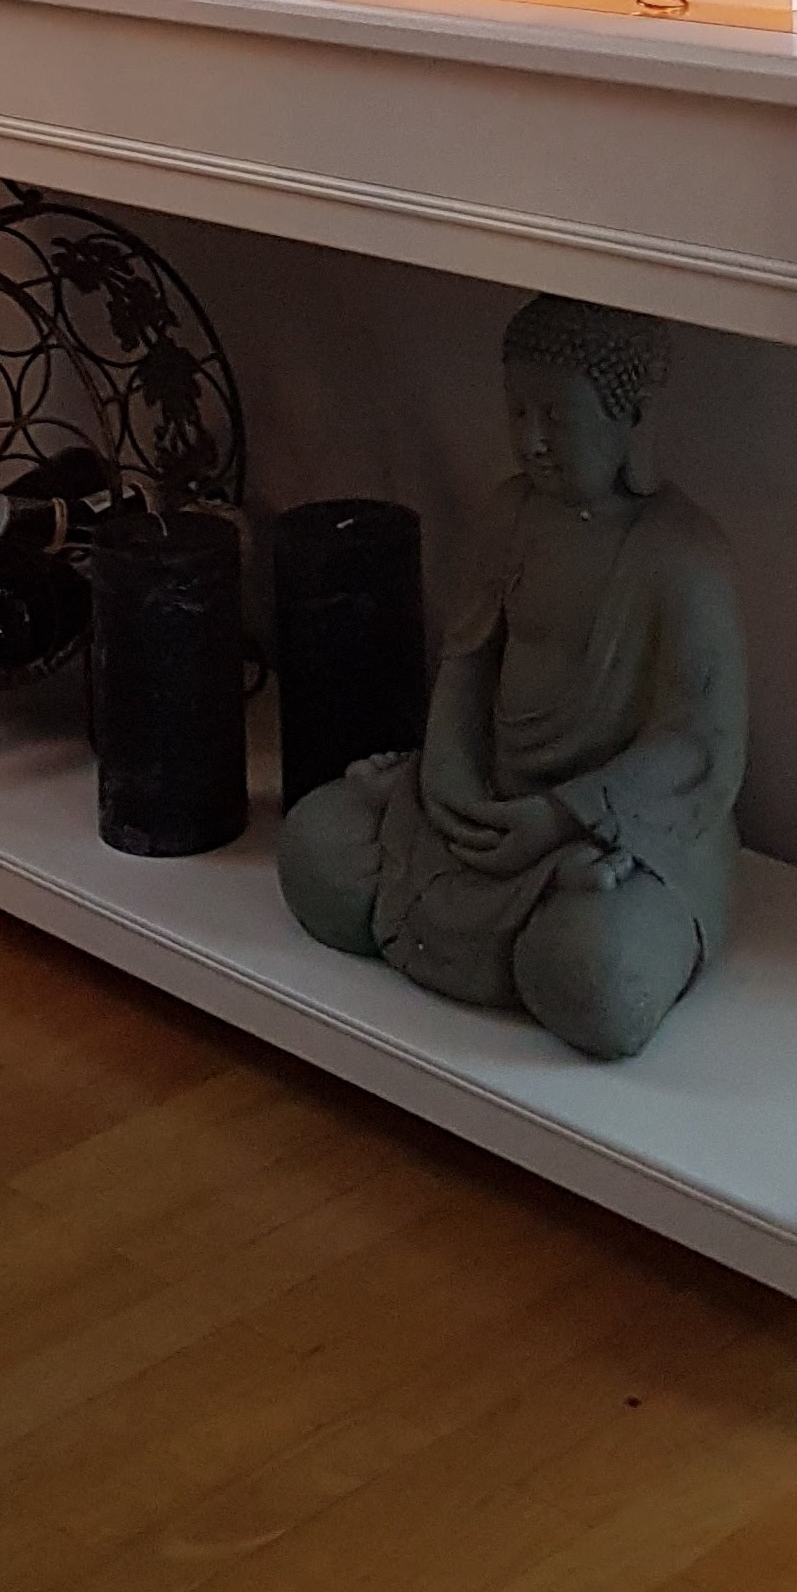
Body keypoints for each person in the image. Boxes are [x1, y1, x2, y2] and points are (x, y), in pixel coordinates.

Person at [277, 296, 747, 1060]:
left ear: (632, 418)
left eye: (557, 417)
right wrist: (450, 784)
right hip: (486, 805)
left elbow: (698, 745)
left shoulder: (683, 556)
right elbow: (466, 667)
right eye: (517, 413)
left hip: (621, 830)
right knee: (314, 845)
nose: (532, 441)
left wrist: (564, 816)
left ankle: (571, 919)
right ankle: (525, 915)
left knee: (595, 978)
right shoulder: (510, 516)